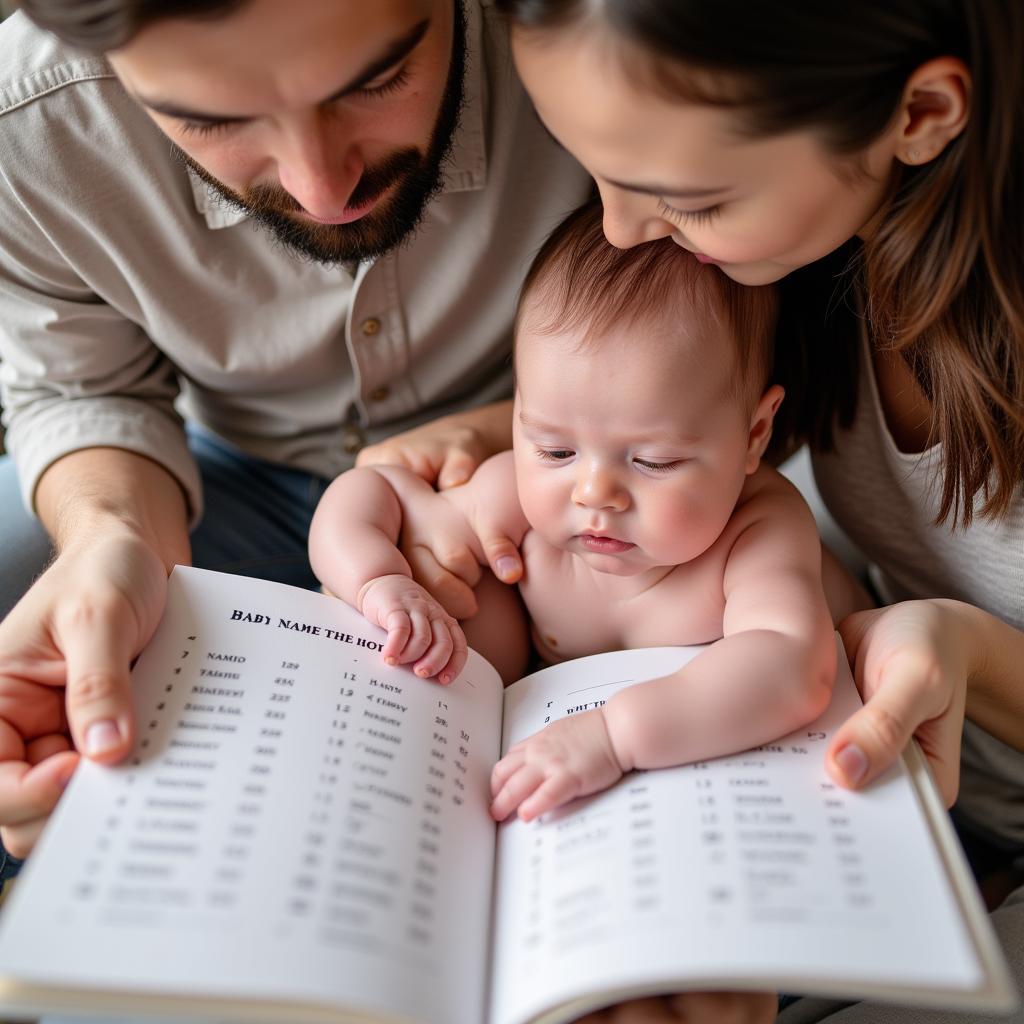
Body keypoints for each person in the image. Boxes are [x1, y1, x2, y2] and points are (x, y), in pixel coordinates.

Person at [461, 0, 1020, 1021]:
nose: (624, 232)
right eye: (598, 173)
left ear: (922, 113)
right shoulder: (818, 253)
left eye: (686, 196)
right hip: (887, 794)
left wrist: (973, 656)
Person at [0, 0, 590, 873]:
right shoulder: (35, 121)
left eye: (379, 78)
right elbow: (85, 388)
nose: (323, 189)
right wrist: (113, 538)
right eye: (211, 116)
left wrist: (524, 446)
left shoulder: (597, 36)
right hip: (221, 475)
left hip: (550, 496)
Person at [310, 199, 837, 825]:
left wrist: (616, 737)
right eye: (555, 448)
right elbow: (371, 493)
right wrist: (379, 582)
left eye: (655, 461)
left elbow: (792, 665)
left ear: (753, 435)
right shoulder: (519, 503)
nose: (593, 492)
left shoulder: (759, 532)